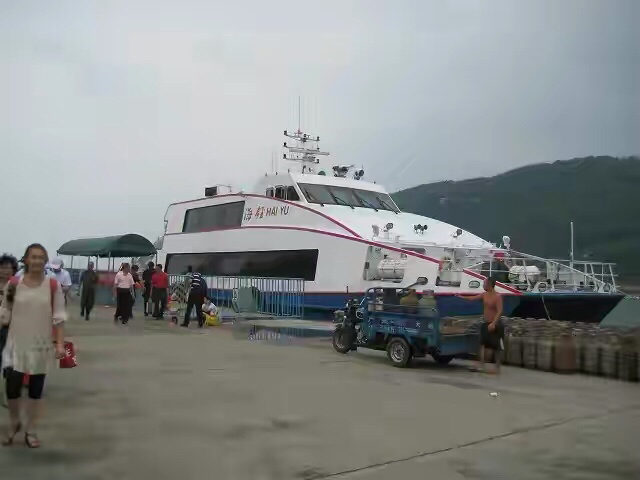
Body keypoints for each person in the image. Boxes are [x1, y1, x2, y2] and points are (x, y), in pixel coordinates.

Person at [1, 243, 66, 448]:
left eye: (41, 257)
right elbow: (5, 311)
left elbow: (59, 318)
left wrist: (60, 344)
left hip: (40, 345)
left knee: (35, 392)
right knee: (12, 389)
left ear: (45, 261)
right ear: (26, 260)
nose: (37, 260)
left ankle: (30, 429)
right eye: (33, 257)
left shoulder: (53, 286)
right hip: (15, 344)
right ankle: (14, 423)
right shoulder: (14, 283)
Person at [457, 277, 504, 374]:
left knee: (496, 346)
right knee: (482, 344)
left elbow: (499, 311)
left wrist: (493, 323)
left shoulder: (497, 296)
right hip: (486, 323)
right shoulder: (484, 295)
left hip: (495, 323)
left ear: (490, 285)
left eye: (484, 283)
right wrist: (461, 297)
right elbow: (473, 298)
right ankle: (481, 365)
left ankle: (497, 368)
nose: (483, 285)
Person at [0, 254, 19, 408]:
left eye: (9, 268)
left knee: (9, 364)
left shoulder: (16, 287)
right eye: (3, 267)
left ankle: (6, 395)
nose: (6, 271)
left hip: (9, 329)